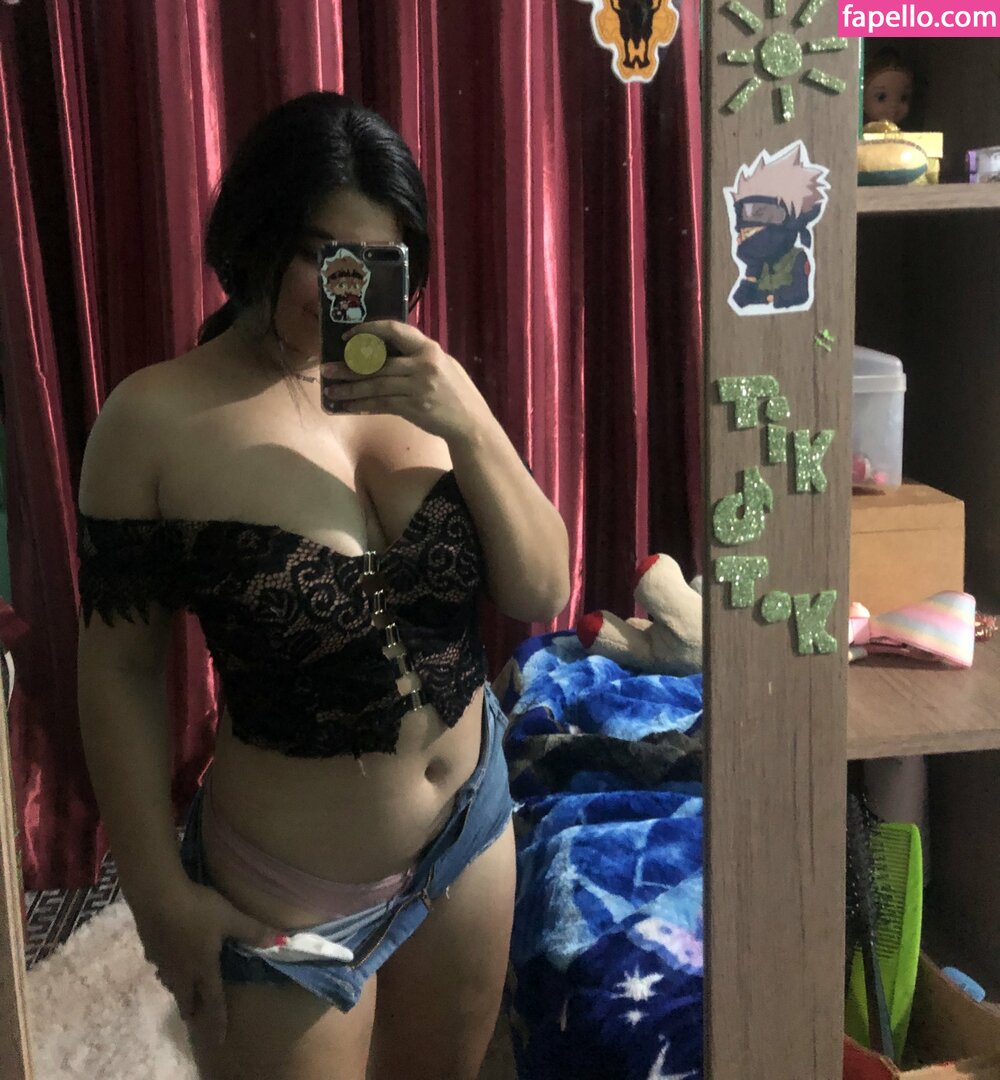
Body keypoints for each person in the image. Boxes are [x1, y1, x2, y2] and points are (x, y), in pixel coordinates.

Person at [76, 90, 570, 1080]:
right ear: (258, 238)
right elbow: (119, 672)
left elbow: (537, 588)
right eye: (322, 255)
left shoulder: (425, 389)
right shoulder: (153, 420)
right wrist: (159, 895)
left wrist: (469, 419)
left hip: (469, 833)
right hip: (285, 888)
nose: (346, 290)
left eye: (378, 262)